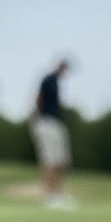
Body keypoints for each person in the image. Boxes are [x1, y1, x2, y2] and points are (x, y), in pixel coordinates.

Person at [30, 59, 74, 209]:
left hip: (57, 123)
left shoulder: (56, 83)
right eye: (64, 68)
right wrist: (35, 118)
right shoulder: (48, 80)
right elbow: (38, 99)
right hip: (46, 122)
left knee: (60, 161)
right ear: (59, 67)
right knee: (50, 159)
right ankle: (49, 196)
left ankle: (58, 194)